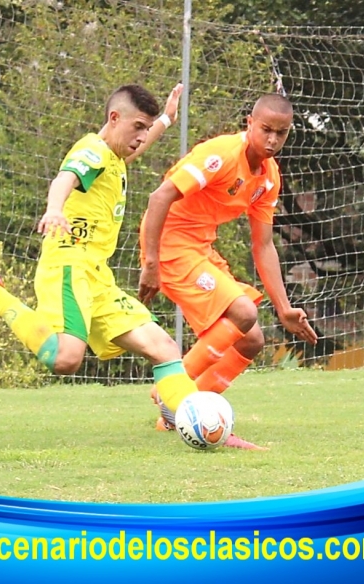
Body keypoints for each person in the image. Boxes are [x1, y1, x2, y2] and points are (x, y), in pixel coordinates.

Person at [0, 83, 201, 423]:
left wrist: (165, 119)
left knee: (163, 348)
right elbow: (66, 176)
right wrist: (54, 209)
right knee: (65, 359)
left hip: (97, 275)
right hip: (69, 264)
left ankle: (198, 424)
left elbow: (134, 150)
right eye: (138, 127)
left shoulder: (115, 157)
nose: (141, 136)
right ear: (114, 117)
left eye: (145, 129)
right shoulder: (92, 149)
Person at [138, 93, 319, 450]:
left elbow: (264, 246)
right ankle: (171, 390)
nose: (271, 140)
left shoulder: (268, 178)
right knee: (243, 310)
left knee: (251, 339)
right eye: (265, 129)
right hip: (171, 248)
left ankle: (180, 416)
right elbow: (159, 198)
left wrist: (284, 308)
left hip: (199, 249)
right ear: (250, 124)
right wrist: (151, 264)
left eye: (280, 133)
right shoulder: (220, 155)